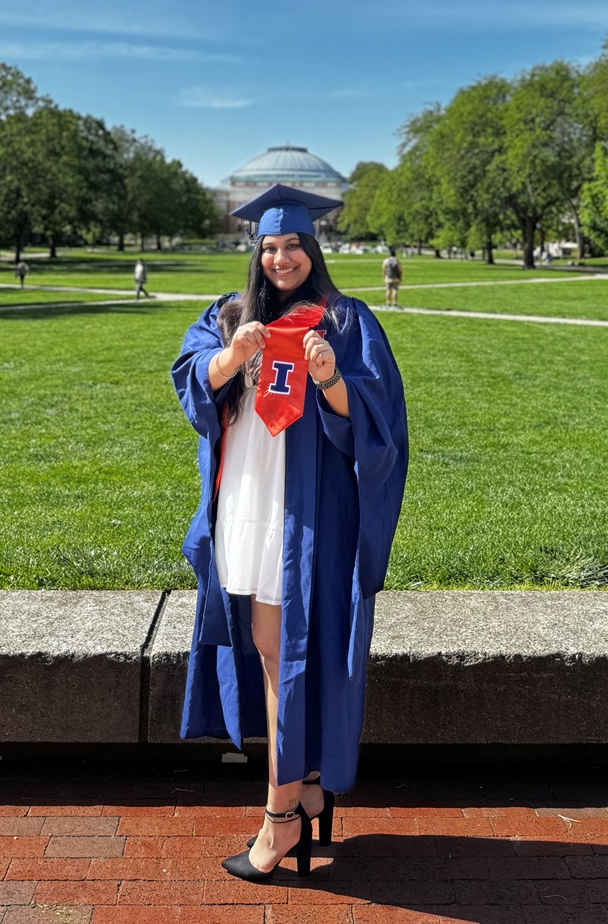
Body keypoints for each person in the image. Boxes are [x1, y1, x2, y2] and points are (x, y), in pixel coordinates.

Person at [171, 183, 408, 883]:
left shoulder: (344, 321)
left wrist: (331, 379)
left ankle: (279, 820)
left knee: (283, 651)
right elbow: (191, 387)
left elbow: (378, 422)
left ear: (314, 249)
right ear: (257, 251)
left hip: (302, 512)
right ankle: (304, 784)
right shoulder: (225, 317)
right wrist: (230, 355)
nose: (281, 257)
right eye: (269, 247)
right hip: (245, 498)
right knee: (275, 651)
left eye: (293, 245)